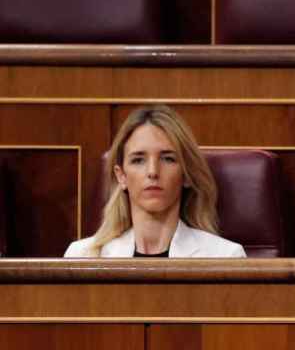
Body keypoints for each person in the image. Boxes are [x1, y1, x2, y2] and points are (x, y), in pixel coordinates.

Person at [65, 105, 245, 257]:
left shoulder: (225, 256)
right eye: (138, 160)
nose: (153, 172)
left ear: (187, 175)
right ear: (122, 176)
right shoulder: (82, 256)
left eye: (168, 159)